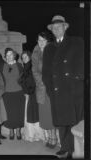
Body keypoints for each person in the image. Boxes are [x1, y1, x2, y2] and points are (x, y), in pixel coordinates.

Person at [42, 15, 84, 158]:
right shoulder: (49, 48)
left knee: (74, 120)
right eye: (54, 28)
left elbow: (84, 62)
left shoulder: (77, 42)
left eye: (59, 27)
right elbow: (46, 72)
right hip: (57, 91)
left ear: (65, 27)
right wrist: (49, 89)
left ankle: (72, 149)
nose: (56, 29)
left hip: (73, 90)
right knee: (62, 121)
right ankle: (65, 147)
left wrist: (78, 79)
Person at [31, 32, 57, 148]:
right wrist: (42, 81)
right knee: (45, 114)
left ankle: (54, 137)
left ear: (47, 41)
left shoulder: (52, 50)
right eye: (39, 40)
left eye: (43, 40)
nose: (41, 42)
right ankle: (49, 136)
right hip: (41, 87)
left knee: (52, 112)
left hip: (52, 86)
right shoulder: (35, 53)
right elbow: (34, 70)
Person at [19, 50, 44, 142]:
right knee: (30, 113)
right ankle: (32, 134)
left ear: (29, 57)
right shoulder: (25, 67)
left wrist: (28, 92)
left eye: (26, 57)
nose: (24, 59)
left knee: (33, 114)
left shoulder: (31, 67)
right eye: (23, 57)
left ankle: (36, 134)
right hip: (29, 93)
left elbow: (33, 81)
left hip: (32, 93)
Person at [2, 48, 25, 140]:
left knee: (19, 113)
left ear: (14, 56)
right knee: (9, 113)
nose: (9, 57)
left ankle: (18, 131)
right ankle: (11, 131)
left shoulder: (19, 66)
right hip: (7, 93)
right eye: (7, 55)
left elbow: (24, 79)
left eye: (11, 54)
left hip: (18, 92)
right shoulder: (3, 66)